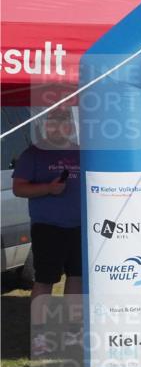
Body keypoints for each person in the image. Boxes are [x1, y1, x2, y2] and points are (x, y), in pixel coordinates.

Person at [12, 109, 82, 302]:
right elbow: (18, 189)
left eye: (62, 123)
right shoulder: (32, 154)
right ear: (45, 126)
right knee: (45, 279)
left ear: (70, 126)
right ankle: (40, 328)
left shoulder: (82, 153)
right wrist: (48, 189)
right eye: (52, 123)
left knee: (77, 276)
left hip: (80, 227)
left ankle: (71, 326)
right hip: (48, 228)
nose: (56, 128)